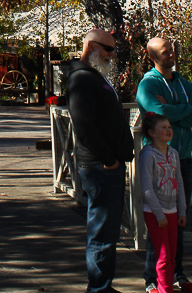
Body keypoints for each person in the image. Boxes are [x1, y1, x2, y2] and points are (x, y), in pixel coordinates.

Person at [66, 29, 134, 293]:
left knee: (107, 232)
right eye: (108, 50)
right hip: (100, 165)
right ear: (92, 47)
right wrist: (109, 160)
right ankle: (98, 288)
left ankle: (102, 285)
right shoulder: (82, 78)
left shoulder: (93, 77)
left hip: (105, 164)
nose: (111, 56)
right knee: (102, 232)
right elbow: (83, 125)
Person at [136, 37, 192, 293]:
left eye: (171, 49)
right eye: (164, 51)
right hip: (159, 160)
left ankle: (177, 272)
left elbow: (167, 115)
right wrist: (184, 111)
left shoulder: (183, 83)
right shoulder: (148, 85)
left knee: (179, 218)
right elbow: (157, 113)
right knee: (158, 224)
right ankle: (152, 279)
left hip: (184, 158)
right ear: (153, 57)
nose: (171, 54)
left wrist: (173, 111)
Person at [139, 112, 187, 293]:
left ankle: (164, 286)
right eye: (163, 127)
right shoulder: (148, 155)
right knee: (163, 255)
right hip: (155, 212)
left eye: (169, 127)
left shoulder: (173, 153)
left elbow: (179, 182)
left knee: (172, 255)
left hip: (173, 211)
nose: (168, 130)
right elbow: (147, 188)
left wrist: (181, 211)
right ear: (152, 133)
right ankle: (164, 289)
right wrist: (159, 215)